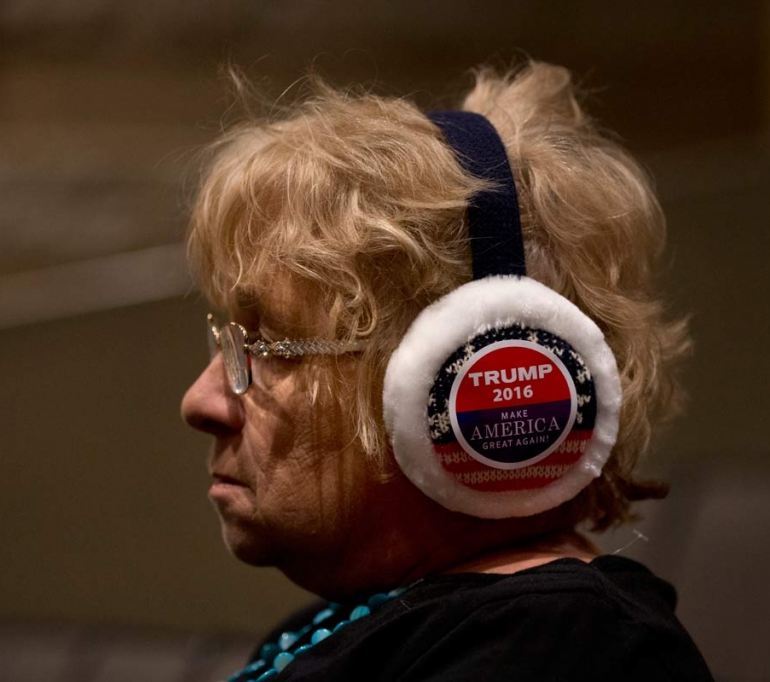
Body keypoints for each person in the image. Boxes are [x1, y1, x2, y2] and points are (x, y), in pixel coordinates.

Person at [180, 61, 712, 681]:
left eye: (269, 346)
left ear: (454, 379)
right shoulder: (378, 624)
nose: (202, 400)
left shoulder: (564, 650)